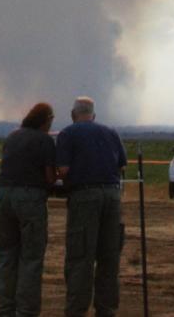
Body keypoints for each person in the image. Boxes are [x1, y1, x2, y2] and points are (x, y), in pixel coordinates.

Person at [53, 96, 128, 317]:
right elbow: (121, 165)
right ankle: (106, 310)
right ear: (93, 115)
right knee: (109, 257)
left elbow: (64, 170)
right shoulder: (111, 133)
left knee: (80, 258)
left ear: (73, 114)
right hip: (113, 198)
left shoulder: (68, 133)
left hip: (84, 198)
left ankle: (76, 311)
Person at [0, 101, 61, 317]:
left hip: (3, 197)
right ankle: (26, 312)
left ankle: (5, 310)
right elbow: (50, 177)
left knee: (6, 257)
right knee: (31, 259)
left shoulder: (13, 136)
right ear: (47, 120)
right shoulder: (45, 141)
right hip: (30, 199)